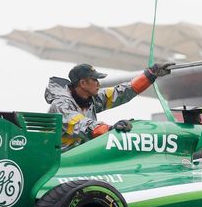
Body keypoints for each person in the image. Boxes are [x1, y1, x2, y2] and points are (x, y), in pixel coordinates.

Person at [45, 62, 174, 150]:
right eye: (95, 80)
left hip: (76, 158)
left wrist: (151, 74)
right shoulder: (61, 105)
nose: (98, 83)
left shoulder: (91, 98)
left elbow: (122, 92)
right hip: (55, 161)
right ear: (83, 83)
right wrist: (110, 129)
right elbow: (82, 125)